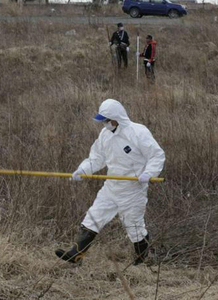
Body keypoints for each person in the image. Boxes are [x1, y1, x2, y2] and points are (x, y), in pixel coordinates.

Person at [56, 99, 165, 265]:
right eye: (103, 121)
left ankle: (141, 261)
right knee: (93, 217)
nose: (104, 124)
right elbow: (97, 158)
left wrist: (149, 173)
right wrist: (83, 170)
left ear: (116, 118)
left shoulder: (138, 132)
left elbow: (156, 155)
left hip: (133, 190)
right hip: (111, 187)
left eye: (106, 121)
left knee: (134, 227)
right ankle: (76, 254)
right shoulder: (105, 135)